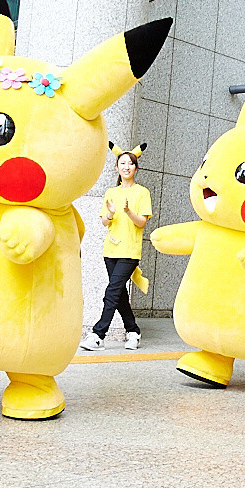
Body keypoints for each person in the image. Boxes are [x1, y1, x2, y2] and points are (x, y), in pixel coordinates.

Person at [80, 148, 152, 351]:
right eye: (122, 163)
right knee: (118, 293)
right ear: (117, 168)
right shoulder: (111, 193)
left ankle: (97, 334)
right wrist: (111, 213)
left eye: (130, 163)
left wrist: (128, 211)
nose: (126, 166)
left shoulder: (142, 193)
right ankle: (133, 331)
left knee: (111, 291)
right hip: (110, 250)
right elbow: (104, 222)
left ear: (136, 168)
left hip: (129, 251)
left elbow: (141, 224)